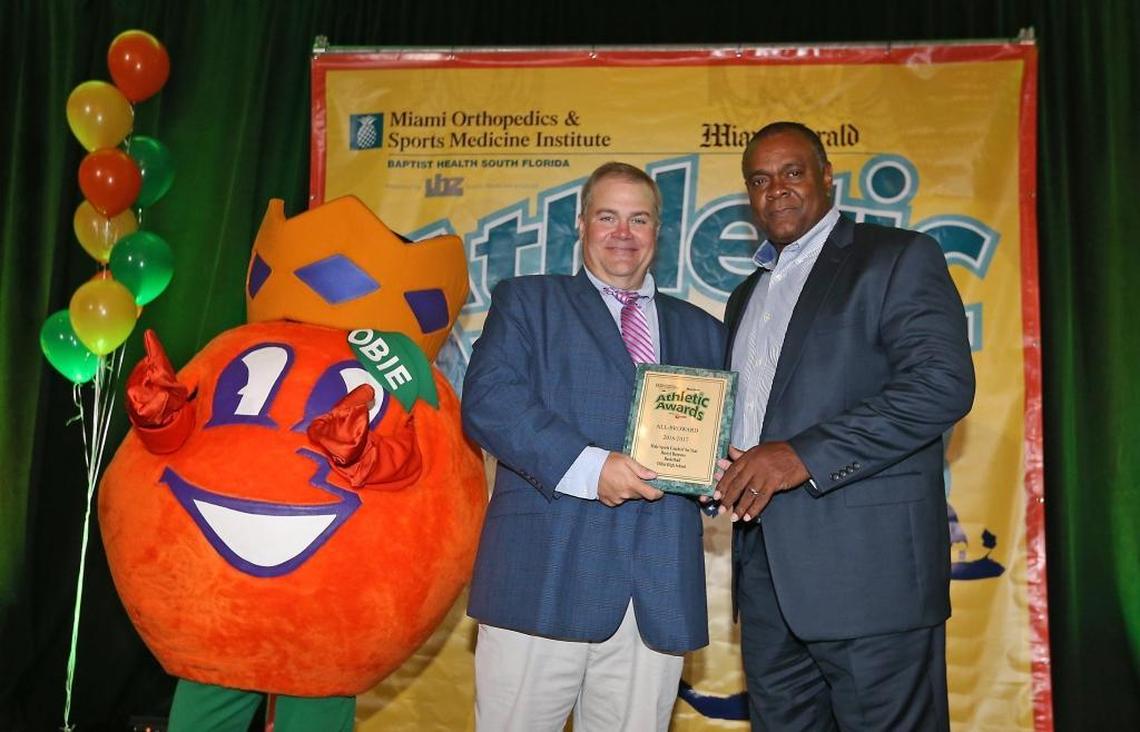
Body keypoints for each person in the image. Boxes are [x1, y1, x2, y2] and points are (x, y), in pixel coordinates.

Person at [714, 122, 975, 731]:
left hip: (869, 576)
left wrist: (800, 455)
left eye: (793, 172)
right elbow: (755, 424)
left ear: (828, 177)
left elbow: (942, 386)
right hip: (766, 582)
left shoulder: (897, 258)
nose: (775, 189)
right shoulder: (744, 295)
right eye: (759, 179)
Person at [462, 161, 726, 731]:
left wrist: (718, 474)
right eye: (608, 217)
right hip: (543, 576)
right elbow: (489, 400)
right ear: (581, 224)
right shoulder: (528, 302)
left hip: (655, 592)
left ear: (659, 231)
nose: (623, 234)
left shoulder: (705, 331)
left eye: (639, 219)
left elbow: (718, 442)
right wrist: (589, 467)